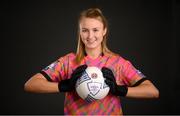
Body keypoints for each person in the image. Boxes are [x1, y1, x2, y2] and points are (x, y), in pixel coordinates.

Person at [24, 8, 159, 115]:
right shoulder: (68, 61)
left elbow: (153, 92)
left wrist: (120, 90)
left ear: (104, 31)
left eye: (95, 30)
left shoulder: (118, 63)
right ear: (80, 32)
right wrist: (64, 86)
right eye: (85, 30)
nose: (90, 36)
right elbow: (30, 85)